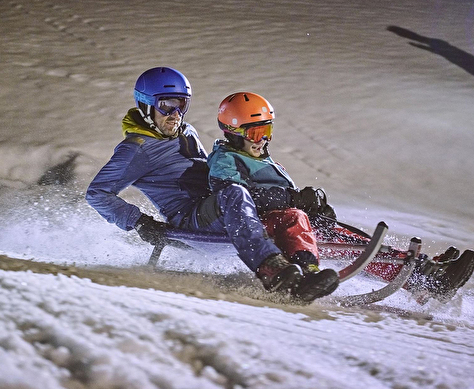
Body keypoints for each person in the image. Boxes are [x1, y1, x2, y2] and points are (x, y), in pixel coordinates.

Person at [86, 67, 334, 303]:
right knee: (236, 192)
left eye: (181, 105)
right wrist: (139, 221)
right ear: (145, 105)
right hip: (191, 220)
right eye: (166, 105)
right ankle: (271, 268)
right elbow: (97, 193)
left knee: (289, 214)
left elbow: (210, 174)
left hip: (218, 208)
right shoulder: (136, 150)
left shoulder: (186, 132)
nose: (175, 114)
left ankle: (306, 275)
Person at [207, 92, 474, 304]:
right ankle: (310, 273)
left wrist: (314, 207)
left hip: (287, 223)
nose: (262, 141)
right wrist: (293, 199)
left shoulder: (258, 157)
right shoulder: (225, 159)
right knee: (314, 226)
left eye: (267, 132)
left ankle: (424, 273)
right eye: (255, 133)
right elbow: (236, 197)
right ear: (233, 132)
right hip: (265, 227)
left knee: (350, 239)